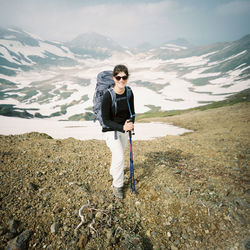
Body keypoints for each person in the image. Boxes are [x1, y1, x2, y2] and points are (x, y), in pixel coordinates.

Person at [101, 64, 135, 199]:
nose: (121, 80)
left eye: (124, 77)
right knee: (120, 156)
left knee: (118, 156)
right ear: (113, 78)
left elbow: (132, 111)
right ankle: (117, 186)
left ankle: (113, 172)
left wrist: (131, 122)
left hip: (124, 129)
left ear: (127, 78)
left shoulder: (129, 92)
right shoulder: (107, 96)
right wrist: (122, 127)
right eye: (118, 77)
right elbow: (106, 120)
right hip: (110, 130)